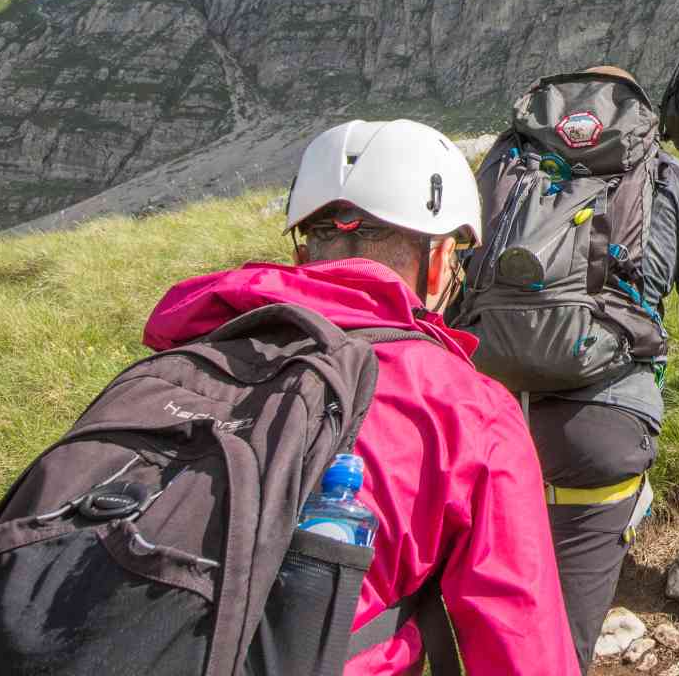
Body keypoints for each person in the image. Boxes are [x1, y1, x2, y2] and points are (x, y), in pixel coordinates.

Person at [146, 120, 580, 676]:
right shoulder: (469, 409)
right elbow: (523, 648)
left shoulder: (182, 357)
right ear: (440, 262)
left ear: (304, 253)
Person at [508, 72, 679, 671]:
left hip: (491, 416)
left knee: (475, 629)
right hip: (603, 424)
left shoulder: (509, 168)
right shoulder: (668, 177)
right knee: (557, 648)